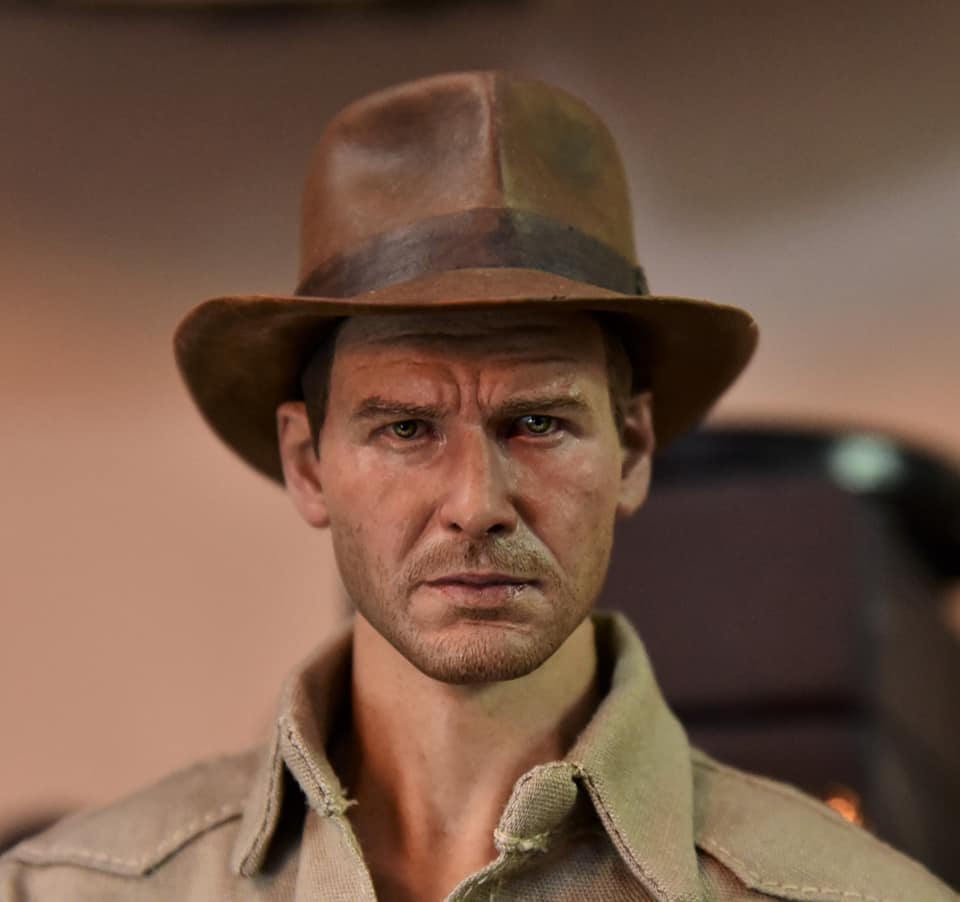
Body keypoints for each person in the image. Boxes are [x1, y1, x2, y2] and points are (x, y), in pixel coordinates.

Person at [1, 71, 954, 902]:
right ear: (307, 463)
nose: (476, 503)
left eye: (536, 424)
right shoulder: (68, 891)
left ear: (631, 451)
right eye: (406, 428)